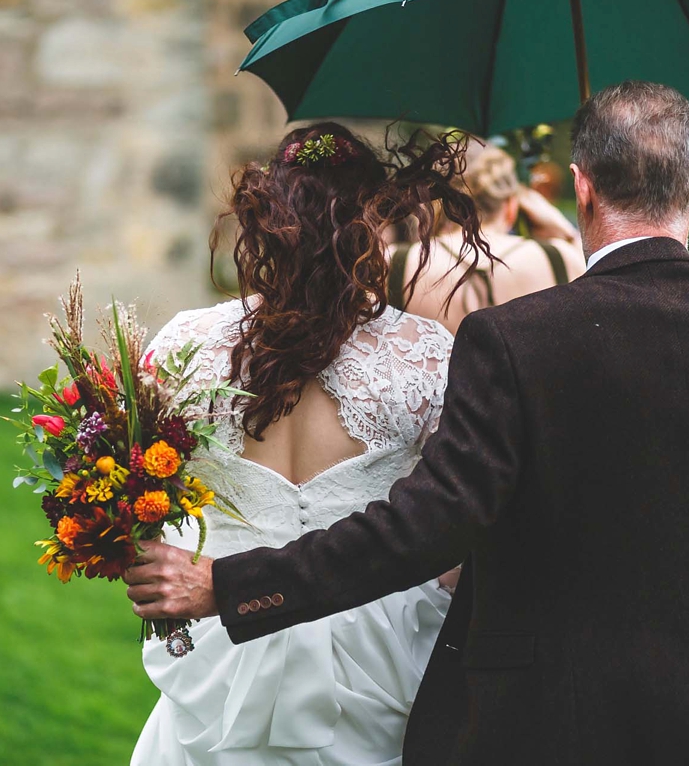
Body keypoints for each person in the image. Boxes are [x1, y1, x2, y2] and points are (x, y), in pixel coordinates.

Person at [124, 82, 689, 765]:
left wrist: (230, 582)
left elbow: (434, 521)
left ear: (582, 186)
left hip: (558, 691)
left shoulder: (515, 338)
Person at [129, 122, 489, 765]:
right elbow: (456, 524)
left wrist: (171, 565)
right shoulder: (430, 359)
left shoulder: (186, 343)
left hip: (217, 631)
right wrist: (431, 602)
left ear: (269, 222)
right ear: (371, 228)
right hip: (375, 641)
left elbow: (137, 486)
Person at [389, 143, 585, 333]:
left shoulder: (396, 261)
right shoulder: (560, 258)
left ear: (438, 203)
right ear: (511, 207)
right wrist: (567, 231)